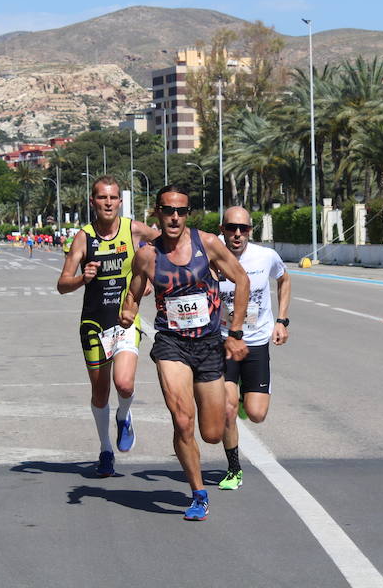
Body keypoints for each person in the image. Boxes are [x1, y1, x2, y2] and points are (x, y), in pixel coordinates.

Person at [120, 185, 250, 521]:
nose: (174, 217)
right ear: (158, 213)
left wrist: (235, 332)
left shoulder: (206, 243)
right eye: (167, 210)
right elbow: (135, 290)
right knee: (181, 419)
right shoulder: (148, 255)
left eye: (180, 211)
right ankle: (198, 494)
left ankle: (217, 435)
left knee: (211, 431)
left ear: (187, 214)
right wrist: (128, 310)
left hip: (207, 344)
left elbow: (241, 279)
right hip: (171, 343)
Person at [56, 176, 160, 478]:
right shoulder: (82, 237)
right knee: (99, 392)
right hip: (93, 323)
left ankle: (124, 416)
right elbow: (62, 284)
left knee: (124, 383)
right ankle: (105, 450)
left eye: (113, 197)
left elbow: (165, 243)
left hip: (125, 319)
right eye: (102, 198)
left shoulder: (133, 229)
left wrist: (151, 277)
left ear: (119, 201)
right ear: (93, 201)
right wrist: (82, 278)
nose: (108, 203)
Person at [215, 206, 291, 491]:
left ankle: (248, 399)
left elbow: (284, 279)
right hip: (222, 341)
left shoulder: (265, 257)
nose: (237, 234)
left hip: (256, 341)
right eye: (231, 228)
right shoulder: (213, 255)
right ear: (222, 229)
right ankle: (234, 468)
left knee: (257, 414)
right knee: (226, 409)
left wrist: (281, 320)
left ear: (250, 230)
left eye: (243, 229)